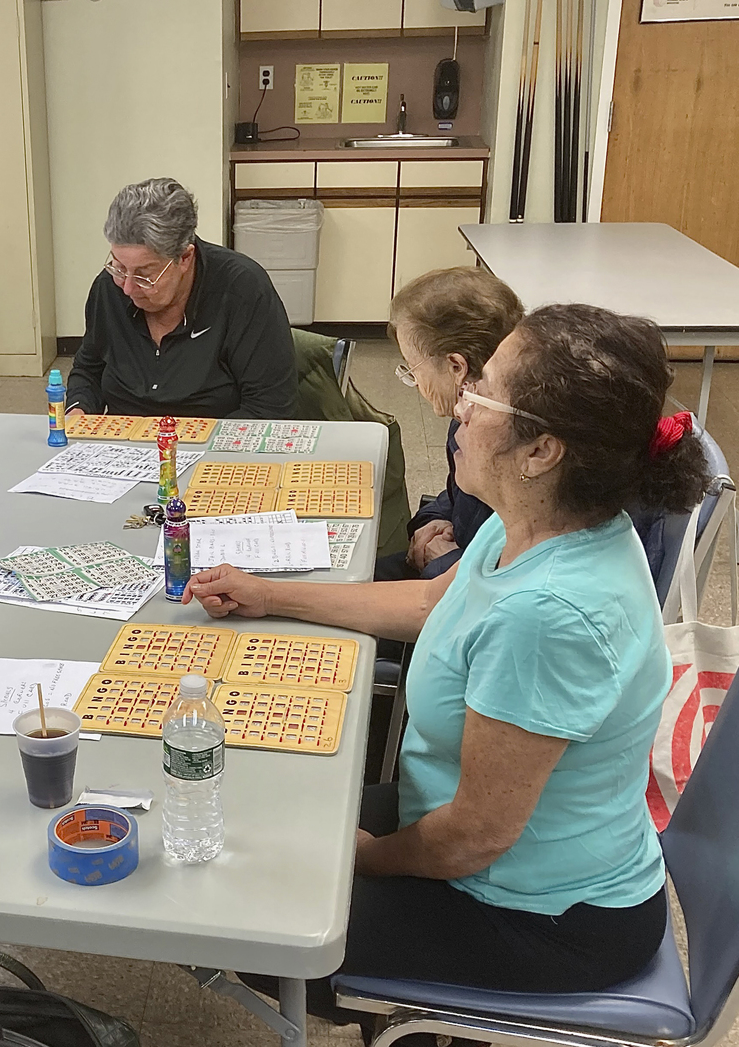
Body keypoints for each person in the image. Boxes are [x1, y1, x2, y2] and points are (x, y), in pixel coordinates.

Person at [184, 303, 706, 1020]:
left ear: (541, 449)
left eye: (482, 390)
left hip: (540, 914)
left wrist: (362, 854)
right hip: (474, 838)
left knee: (238, 909)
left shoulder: (548, 614)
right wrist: (267, 593)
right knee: (255, 818)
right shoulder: (537, 520)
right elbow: (436, 604)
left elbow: (474, 836)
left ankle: (412, 1020)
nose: (458, 404)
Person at [67, 178, 296, 419]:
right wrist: (78, 409)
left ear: (185, 258)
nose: (127, 287)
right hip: (125, 444)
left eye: (145, 275)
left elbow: (270, 407)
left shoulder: (242, 290)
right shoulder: (108, 288)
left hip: (211, 443)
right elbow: (89, 368)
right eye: (119, 266)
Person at [377, 267, 523, 581]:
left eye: (413, 368)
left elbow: (514, 584)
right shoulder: (463, 423)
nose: (415, 383)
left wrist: (449, 562)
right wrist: (430, 523)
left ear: (456, 366)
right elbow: (456, 498)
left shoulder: (514, 450)